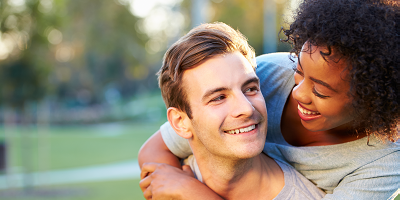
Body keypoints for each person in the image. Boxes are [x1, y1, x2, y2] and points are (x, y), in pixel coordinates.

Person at [139, 0, 400, 199]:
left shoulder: (384, 162)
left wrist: (193, 192)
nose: (297, 93)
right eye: (299, 73)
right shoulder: (264, 76)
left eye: (320, 91)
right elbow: (155, 152)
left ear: (372, 100)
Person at [140, 22, 325, 200]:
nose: (246, 108)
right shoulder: (167, 186)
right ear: (180, 122)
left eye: (250, 89)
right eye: (218, 98)